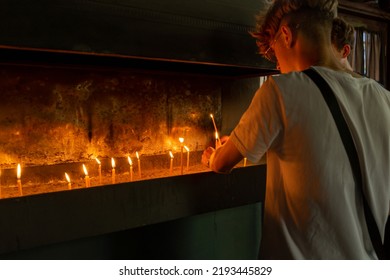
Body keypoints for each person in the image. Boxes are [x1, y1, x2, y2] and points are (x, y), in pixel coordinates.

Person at [202, 0, 390, 259]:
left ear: (287, 36)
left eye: (273, 51)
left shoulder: (281, 90)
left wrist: (215, 154)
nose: (277, 65)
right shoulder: (383, 97)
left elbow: (222, 163)